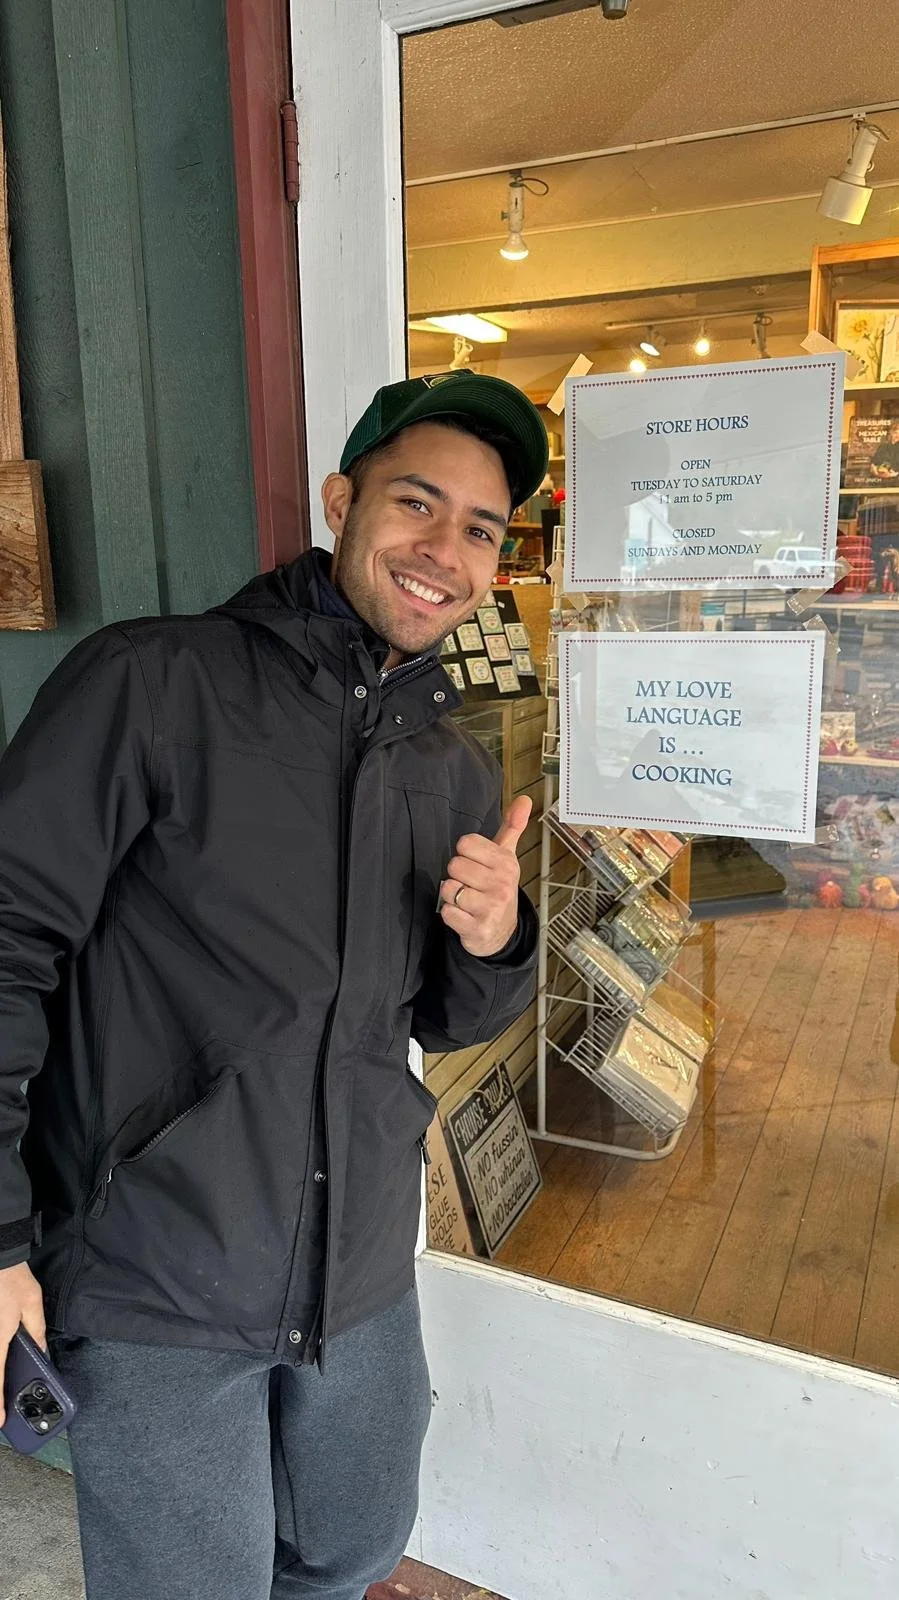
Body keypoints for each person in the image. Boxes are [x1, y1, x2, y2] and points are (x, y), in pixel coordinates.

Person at [0, 371, 548, 1600]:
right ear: (341, 498)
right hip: (156, 1278)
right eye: (416, 503)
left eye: (478, 529)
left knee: (348, 1549)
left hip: (357, 1275)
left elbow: (443, 1021)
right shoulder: (153, 686)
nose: (443, 551)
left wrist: (492, 938)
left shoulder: (448, 770)